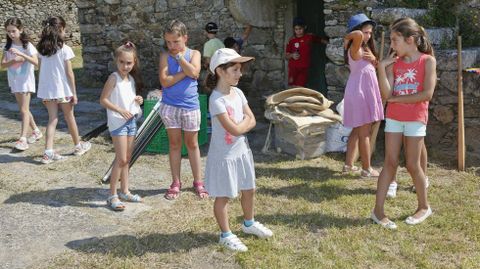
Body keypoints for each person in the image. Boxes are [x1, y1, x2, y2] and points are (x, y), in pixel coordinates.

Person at [204, 48, 273, 252]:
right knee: (224, 195)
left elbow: (251, 118)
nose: (240, 74)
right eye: (235, 69)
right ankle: (225, 234)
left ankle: (248, 223)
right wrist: (242, 125)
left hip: (241, 151)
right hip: (224, 156)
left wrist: (241, 126)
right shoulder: (216, 100)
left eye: (240, 69)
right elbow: (235, 127)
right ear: (220, 71)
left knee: (249, 189)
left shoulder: (239, 93)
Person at [372, 17, 436, 229]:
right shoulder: (394, 63)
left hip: (416, 118)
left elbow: (426, 94)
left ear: (410, 40)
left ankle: (424, 207)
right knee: (390, 163)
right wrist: (382, 68)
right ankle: (378, 212)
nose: (391, 45)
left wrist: (396, 100)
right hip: (394, 117)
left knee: (412, 164)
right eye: (390, 40)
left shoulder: (427, 61)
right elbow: (386, 93)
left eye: (395, 40)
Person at [158, 20, 208, 200]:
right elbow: (164, 81)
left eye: (175, 42)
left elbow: (195, 73)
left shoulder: (195, 53)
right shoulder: (164, 56)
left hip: (190, 106)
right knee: (174, 145)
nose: (172, 46)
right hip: (170, 106)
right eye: (168, 42)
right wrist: (185, 73)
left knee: (193, 144)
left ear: (185, 38)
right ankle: (176, 182)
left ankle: (198, 182)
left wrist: (180, 59)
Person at [36, 16, 91, 164]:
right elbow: (69, 73)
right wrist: (74, 92)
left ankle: (48, 152)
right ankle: (78, 147)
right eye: (64, 30)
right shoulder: (65, 50)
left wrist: (42, 91)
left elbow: (40, 70)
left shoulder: (41, 50)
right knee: (69, 117)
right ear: (60, 30)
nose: (65, 33)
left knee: (52, 120)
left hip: (47, 92)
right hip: (63, 91)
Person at [100, 41, 144, 211]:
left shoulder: (131, 79)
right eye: (122, 62)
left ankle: (125, 190)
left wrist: (138, 100)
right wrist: (118, 109)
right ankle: (112, 195)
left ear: (134, 63)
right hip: (118, 123)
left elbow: (129, 98)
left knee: (127, 158)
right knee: (121, 159)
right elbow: (103, 99)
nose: (125, 66)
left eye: (129, 63)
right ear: (116, 61)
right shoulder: (113, 78)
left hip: (131, 121)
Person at [342, 13, 384, 178]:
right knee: (364, 132)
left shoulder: (365, 49)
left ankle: (348, 165)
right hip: (360, 93)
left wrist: (375, 59)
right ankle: (366, 169)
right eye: (366, 31)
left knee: (357, 130)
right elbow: (357, 35)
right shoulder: (355, 46)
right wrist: (347, 37)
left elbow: (373, 67)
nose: (368, 35)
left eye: (370, 32)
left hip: (362, 91)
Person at [1, 18, 42, 151]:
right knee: (23, 109)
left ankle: (23, 139)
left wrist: (22, 56)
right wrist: (13, 61)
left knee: (24, 110)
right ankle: (36, 131)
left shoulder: (27, 46)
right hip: (14, 81)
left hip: (25, 82)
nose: (11, 34)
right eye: (8, 31)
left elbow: (36, 63)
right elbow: (2, 65)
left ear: (21, 30)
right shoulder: (7, 47)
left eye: (14, 31)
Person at [285, 17, 329, 87]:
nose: (298, 31)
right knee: (292, 87)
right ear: (294, 29)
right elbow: (286, 55)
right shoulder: (291, 40)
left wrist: (331, 44)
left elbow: (320, 40)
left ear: (305, 27)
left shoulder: (309, 37)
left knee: (300, 87)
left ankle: (300, 98)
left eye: (300, 29)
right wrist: (292, 55)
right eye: (296, 29)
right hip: (293, 68)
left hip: (304, 68)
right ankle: (293, 98)